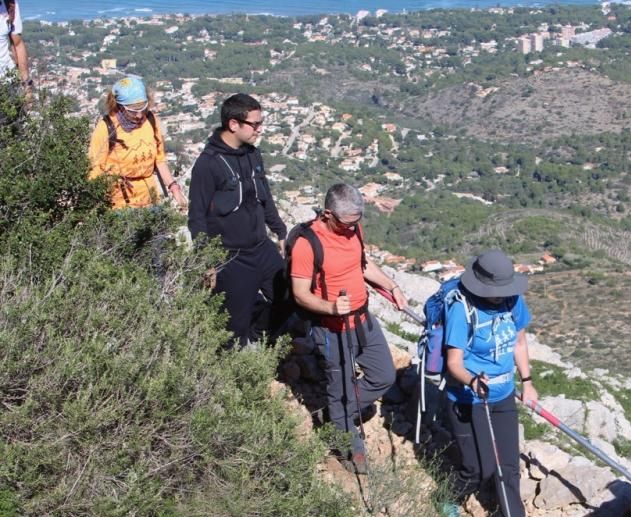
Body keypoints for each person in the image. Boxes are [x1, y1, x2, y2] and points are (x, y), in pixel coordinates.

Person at [289, 184, 407, 474]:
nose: (353, 227)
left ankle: (337, 410)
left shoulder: (353, 230)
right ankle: (345, 440)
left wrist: (391, 286)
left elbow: (362, 265)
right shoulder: (307, 243)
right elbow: (300, 293)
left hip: (362, 318)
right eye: (347, 222)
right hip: (331, 327)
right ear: (328, 214)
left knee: (383, 375)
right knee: (339, 383)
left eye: (357, 221)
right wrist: (331, 308)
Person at [440, 249, 546, 517]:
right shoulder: (462, 309)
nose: (502, 297)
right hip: (467, 399)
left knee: (508, 468)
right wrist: (472, 381)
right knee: (479, 467)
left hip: (501, 396)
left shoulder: (514, 301)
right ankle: (449, 496)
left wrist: (527, 382)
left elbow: (520, 342)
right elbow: (454, 362)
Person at [188, 93, 286, 347]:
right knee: (232, 327)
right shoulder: (208, 165)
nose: (259, 129)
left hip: (261, 247)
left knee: (288, 296)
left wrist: (280, 231)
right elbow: (197, 215)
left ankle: (258, 336)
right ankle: (234, 369)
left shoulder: (252, 155)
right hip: (232, 256)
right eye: (254, 124)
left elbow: (264, 196)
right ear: (234, 124)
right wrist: (206, 260)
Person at [87, 76, 186, 210]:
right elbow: (95, 169)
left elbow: (160, 160)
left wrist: (174, 188)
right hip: (118, 203)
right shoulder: (106, 128)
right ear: (119, 106)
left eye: (143, 109)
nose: (139, 115)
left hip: (150, 198)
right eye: (133, 111)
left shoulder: (151, 121)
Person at [1, 0, 30, 122]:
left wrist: (27, 86)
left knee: (14, 134)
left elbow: (18, 44)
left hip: (7, 85)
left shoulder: (9, 4)